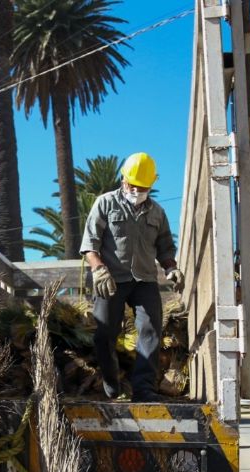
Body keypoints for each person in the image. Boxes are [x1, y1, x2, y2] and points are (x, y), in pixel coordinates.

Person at [79, 152, 184, 402]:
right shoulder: (105, 204)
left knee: (151, 331)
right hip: (111, 280)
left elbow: (165, 247)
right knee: (104, 334)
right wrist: (98, 268)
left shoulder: (157, 213)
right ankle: (112, 383)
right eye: (133, 185)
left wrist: (171, 267)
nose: (137, 191)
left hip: (145, 280)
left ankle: (144, 389)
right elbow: (89, 244)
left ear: (151, 185)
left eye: (143, 187)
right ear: (123, 180)